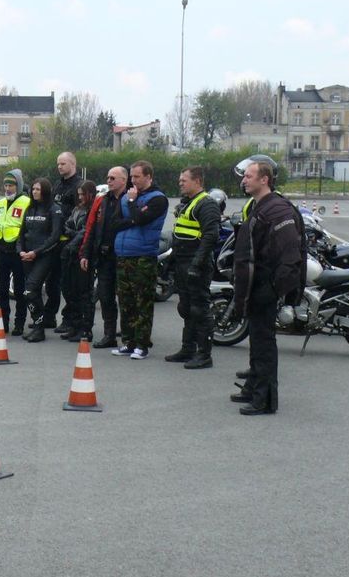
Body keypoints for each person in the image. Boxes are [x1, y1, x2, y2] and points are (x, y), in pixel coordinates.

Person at [231, 156, 304, 415]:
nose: (244, 180)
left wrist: (274, 289)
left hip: (265, 287)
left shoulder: (278, 209)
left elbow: (290, 255)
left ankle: (265, 400)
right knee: (256, 340)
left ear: (265, 179)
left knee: (264, 343)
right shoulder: (260, 205)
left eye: (249, 176)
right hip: (255, 285)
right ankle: (252, 388)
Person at [164, 166, 222, 369]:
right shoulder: (187, 203)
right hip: (182, 262)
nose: (180, 183)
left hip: (196, 264)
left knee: (199, 309)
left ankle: (204, 354)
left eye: (184, 180)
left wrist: (197, 264)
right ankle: (187, 348)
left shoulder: (207, 204)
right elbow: (180, 234)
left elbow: (210, 237)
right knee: (186, 308)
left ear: (197, 181)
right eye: (180, 180)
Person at [111, 160, 169, 359]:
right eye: (131, 176)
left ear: (148, 177)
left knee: (142, 301)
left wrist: (132, 204)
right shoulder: (128, 196)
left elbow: (142, 220)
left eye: (137, 177)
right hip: (123, 254)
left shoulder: (157, 199)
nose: (133, 180)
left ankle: (142, 344)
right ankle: (128, 342)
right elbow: (115, 223)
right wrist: (132, 218)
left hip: (143, 256)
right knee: (125, 301)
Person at [79, 166, 127, 348]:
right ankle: (109, 335)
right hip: (105, 256)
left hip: (124, 256)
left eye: (113, 178)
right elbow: (91, 228)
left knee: (126, 298)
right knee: (105, 297)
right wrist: (85, 253)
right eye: (108, 177)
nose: (109, 181)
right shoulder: (102, 200)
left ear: (124, 180)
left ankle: (130, 335)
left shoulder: (130, 199)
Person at [16, 178, 64, 342]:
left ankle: (40, 328)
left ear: (45, 191)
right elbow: (21, 233)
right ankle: (38, 324)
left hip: (45, 256)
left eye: (38, 189)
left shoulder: (54, 209)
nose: (35, 191)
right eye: (34, 189)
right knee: (29, 293)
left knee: (30, 289)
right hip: (26, 256)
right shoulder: (29, 209)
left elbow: (55, 236)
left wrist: (36, 252)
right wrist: (20, 251)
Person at [0, 169, 30, 336]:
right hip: (2, 252)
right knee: (2, 289)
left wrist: (21, 247)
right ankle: (3, 322)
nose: (8, 188)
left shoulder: (26, 202)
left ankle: (19, 324)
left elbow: (28, 229)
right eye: (5, 184)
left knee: (20, 290)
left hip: (18, 253)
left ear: (18, 186)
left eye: (11, 185)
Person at [47, 152, 84, 332]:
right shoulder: (57, 185)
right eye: (58, 164)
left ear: (73, 164)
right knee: (52, 281)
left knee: (69, 284)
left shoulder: (79, 186)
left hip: (70, 239)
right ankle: (49, 316)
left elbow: (80, 212)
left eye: (63, 164)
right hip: (55, 239)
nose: (59, 167)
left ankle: (70, 319)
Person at [59, 180, 99, 342]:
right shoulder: (77, 209)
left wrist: (72, 235)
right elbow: (67, 227)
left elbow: (86, 232)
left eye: (84, 194)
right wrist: (72, 233)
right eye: (79, 194)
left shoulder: (93, 210)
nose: (81, 197)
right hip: (71, 254)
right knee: (70, 291)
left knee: (84, 293)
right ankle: (74, 326)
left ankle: (85, 329)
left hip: (83, 254)